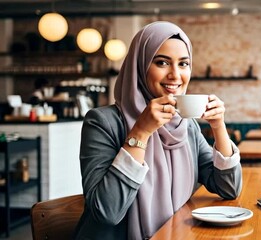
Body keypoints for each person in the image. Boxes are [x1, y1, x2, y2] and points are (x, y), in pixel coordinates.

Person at [74, 21, 242, 239]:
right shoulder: (102, 122)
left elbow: (229, 188)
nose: (175, 75)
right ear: (140, 66)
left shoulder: (186, 125)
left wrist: (218, 126)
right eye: (162, 62)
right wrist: (141, 132)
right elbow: (107, 211)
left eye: (183, 64)